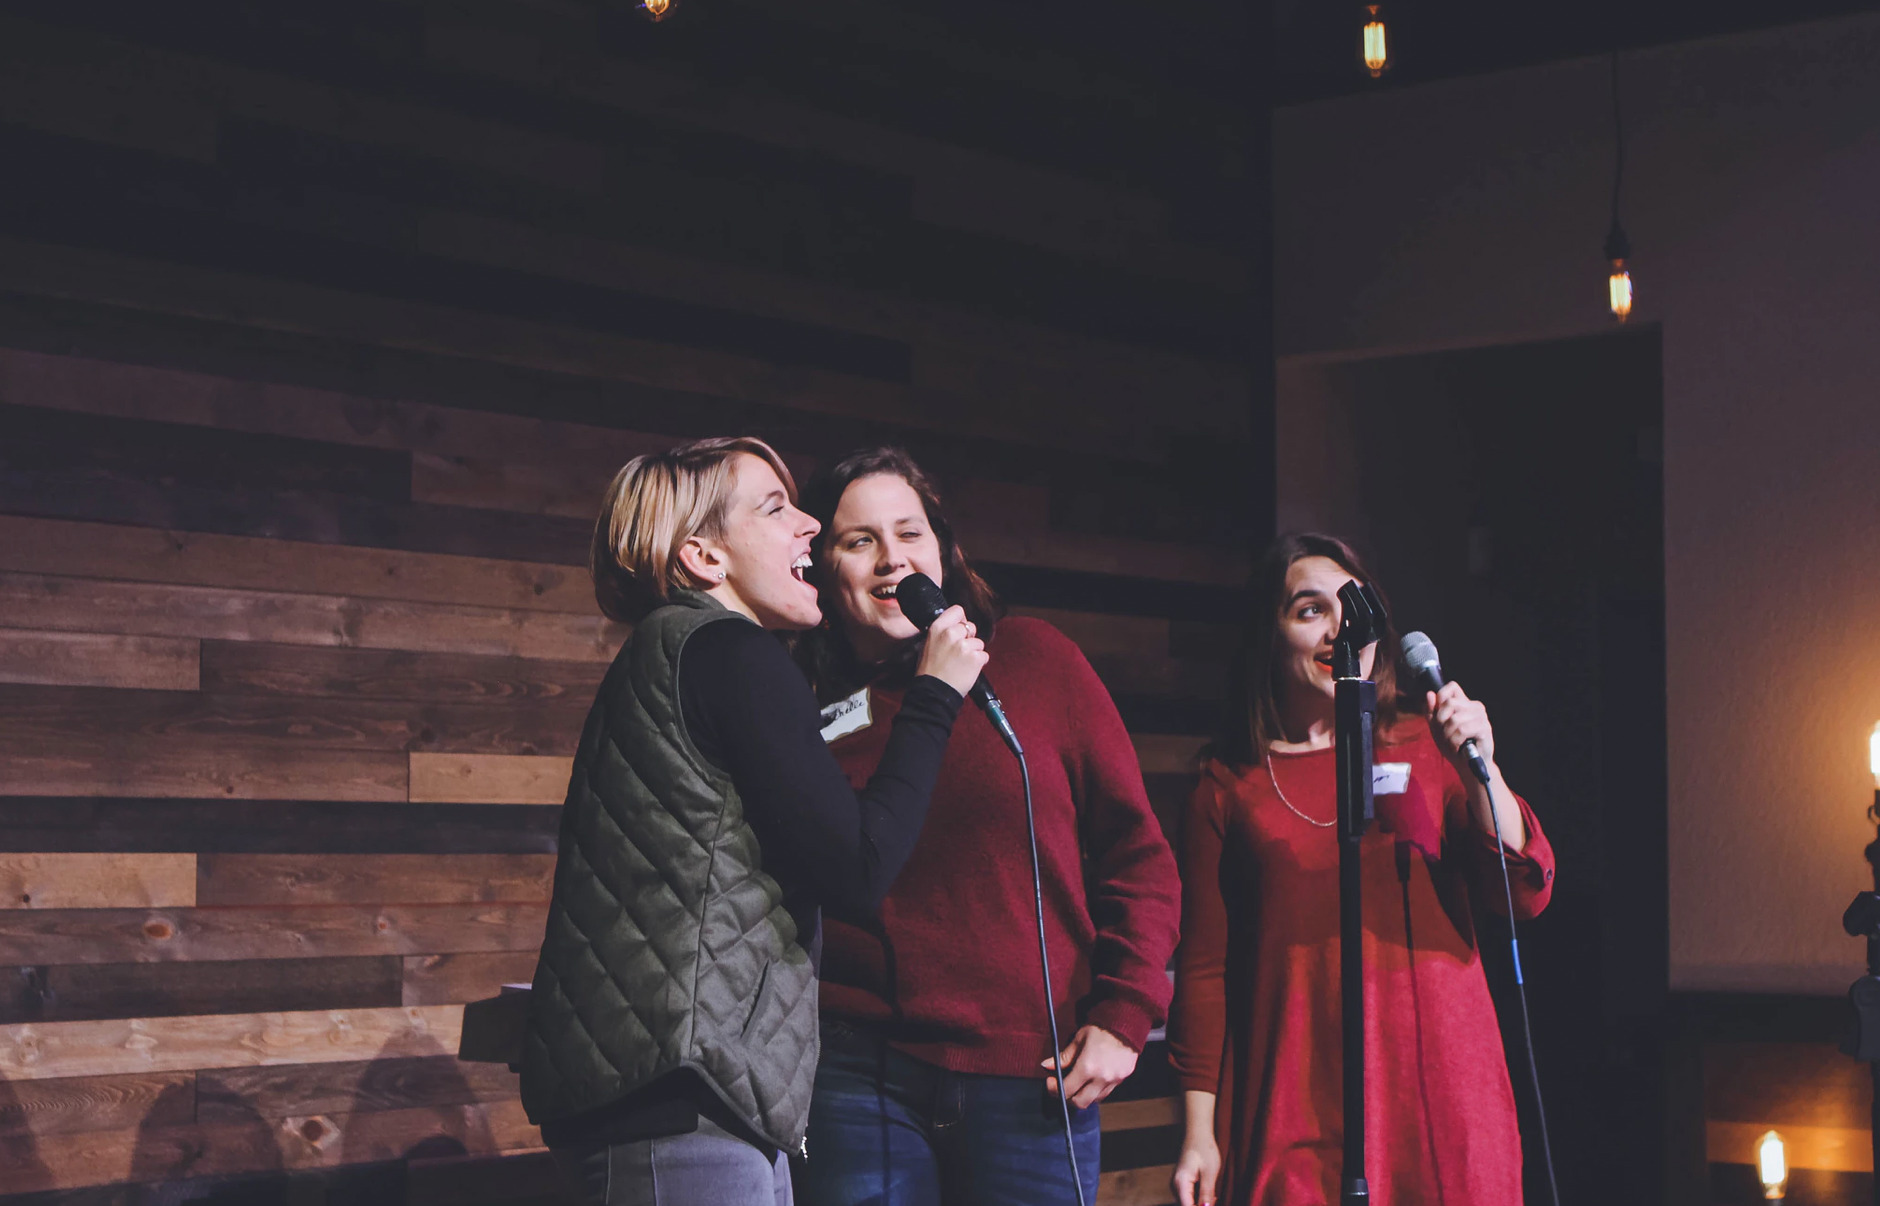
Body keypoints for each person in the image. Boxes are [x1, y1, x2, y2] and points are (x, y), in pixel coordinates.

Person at [519, 437, 988, 1206]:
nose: (809, 524)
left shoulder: (674, 650)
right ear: (704, 556)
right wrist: (936, 695)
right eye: (775, 509)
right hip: (684, 1093)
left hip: (672, 1087)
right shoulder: (730, 651)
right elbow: (857, 868)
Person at [792, 447, 1183, 1206]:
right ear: (824, 569)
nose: (892, 558)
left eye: (909, 533)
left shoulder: (1035, 659)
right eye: (860, 540)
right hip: (858, 1074)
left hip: (1032, 1076)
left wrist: (1126, 1013)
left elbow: (1138, 855)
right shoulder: (806, 703)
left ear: (942, 551)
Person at [1168, 533, 1556, 1206]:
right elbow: (1204, 972)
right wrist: (1198, 1133)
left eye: (1352, 607)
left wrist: (1479, 767)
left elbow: (1521, 890)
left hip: (1438, 1098)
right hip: (1296, 1106)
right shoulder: (1229, 785)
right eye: (1309, 610)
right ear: (1270, 635)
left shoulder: (1427, 746)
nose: (1337, 628)